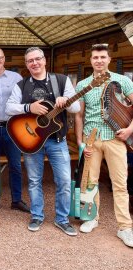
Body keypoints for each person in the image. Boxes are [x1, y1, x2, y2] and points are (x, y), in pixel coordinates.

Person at [6, 47, 80, 236]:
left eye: (38, 59)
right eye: (30, 61)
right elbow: (9, 108)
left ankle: (61, 219)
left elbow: (76, 107)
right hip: (32, 139)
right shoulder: (21, 85)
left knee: (63, 180)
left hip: (57, 139)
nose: (35, 63)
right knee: (33, 180)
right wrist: (28, 107)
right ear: (26, 64)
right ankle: (37, 215)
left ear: (45, 60)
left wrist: (67, 100)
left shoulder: (61, 81)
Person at [75, 43, 133, 247]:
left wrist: (130, 130)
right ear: (90, 61)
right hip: (92, 140)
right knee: (91, 182)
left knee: (120, 184)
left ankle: (125, 227)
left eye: (102, 57)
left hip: (116, 140)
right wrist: (80, 141)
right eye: (95, 58)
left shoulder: (122, 81)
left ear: (109, 59)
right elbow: (79, 115)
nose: (99, 61)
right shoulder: (82, 85)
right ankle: (92, 218)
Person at [0, 47, 29, 213]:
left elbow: (24, 101)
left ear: (4, 59)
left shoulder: (16, 77)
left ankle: (16, 200)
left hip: (12, 128)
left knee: (15, 165)